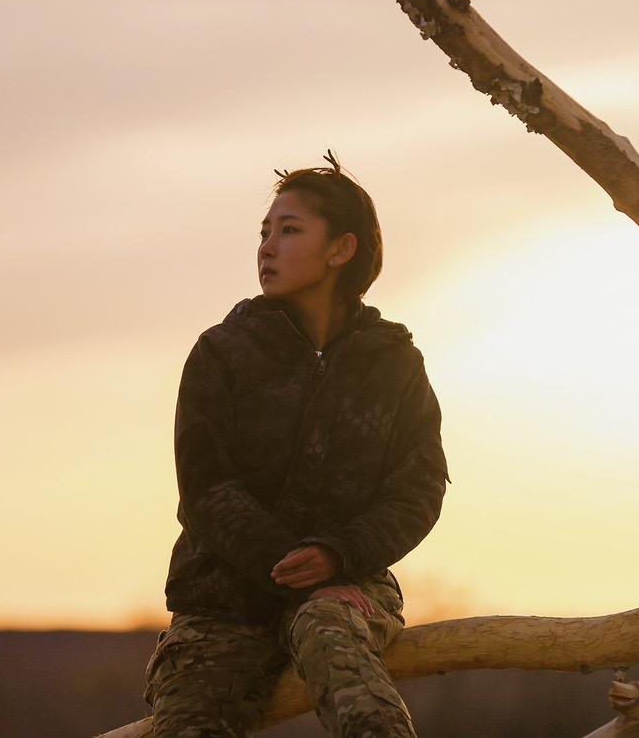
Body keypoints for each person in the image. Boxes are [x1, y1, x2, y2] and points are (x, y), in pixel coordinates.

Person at [144, 152, 450, 737]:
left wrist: (337, 555)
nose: (266, 247)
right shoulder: (223, 352)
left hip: (347, 585)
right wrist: (283, 561)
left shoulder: (395, 363)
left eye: (289, 231)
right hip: (223, 601)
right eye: (264, 233)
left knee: (332, 632)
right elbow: (206, 488)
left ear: (341, 249)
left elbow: (418, 488)